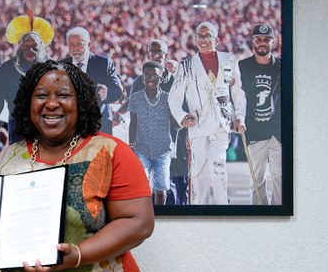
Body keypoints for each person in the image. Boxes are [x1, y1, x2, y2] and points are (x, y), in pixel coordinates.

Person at [0, 60, 154, 272]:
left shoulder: (110, 151)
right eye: (41, 95)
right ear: (27, 102)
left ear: (81, 101)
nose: (52, 104)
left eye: (63, 94)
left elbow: (139, 222)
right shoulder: (7, 158)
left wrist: (79, 255)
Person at [168, 21, 246, 205]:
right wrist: (182, 116)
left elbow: (237, 92)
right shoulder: (185, 66)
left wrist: (240, 117)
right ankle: (198, 211)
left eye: (207, 35)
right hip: (198, 125)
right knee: (200, 174)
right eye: (199, 36)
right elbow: (174, 98)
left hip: (222, 123)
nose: (203, 39)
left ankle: (223, 208)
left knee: (217, 167)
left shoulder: (230, 60)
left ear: (216, 39)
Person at [0, 11, 52, 149]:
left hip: (47, 126)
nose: (30, 50)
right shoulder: (6, 70)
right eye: (26, 47)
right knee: (20, 166)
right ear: (19, 48)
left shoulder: (53, 69)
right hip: (18, 127)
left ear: (41, 48)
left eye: (35, 47)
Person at [239, 23, 282, 205]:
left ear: (273, 42)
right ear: (253, 42)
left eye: (266, 39)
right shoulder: (242, 67)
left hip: (278, 133)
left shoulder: (282, 66)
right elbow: (237, 97)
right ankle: (261, 219)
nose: (262, 43)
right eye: (258, 39)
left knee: (280, 179)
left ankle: (280, 219)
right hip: (255, 132)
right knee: (257, 182)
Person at [128, 61, 175, 205]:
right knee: (141, 185)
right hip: (141, 148)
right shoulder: (135, 98)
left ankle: (160, 214)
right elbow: (133, 123)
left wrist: (184, 120)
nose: (150, 78)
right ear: (142, 78)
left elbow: (175, 124)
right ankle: (145, 213)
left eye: (155, 75)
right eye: (147, 75)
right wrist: (131, 144)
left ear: (161, 79)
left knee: (160, 188)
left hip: (163, 149)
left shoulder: (168, 98)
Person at [60, 27, 123, 134]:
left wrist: (106, 93)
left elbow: (117, 91)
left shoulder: (104, 64)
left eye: (79, 44)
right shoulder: (61, 66)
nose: (75, 49)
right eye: (71, 45)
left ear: (89, 45)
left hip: (99, 126)